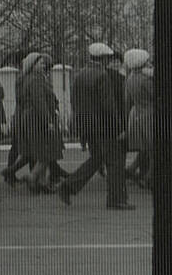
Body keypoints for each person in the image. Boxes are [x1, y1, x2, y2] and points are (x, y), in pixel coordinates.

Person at [58, 43, 131, 210]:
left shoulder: (79, 75)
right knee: (115, 162)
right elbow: (109, 106)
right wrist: (119, 128)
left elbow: (75, 103)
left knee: (96, 159)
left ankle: (68, 186)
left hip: (88, 125)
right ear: (104, 58)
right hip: (105, 126)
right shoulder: (102, 75)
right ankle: (116, 199)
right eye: (108, 58)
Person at [6, 52, 63, 195]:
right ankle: (32, 177)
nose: (43, 64)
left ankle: (42, 182)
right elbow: (40, 102)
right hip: (38, 118)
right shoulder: (36, 79)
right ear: (32, 64)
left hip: (33, 118)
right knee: (47, 150)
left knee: (43, 150)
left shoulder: (32, 78)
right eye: (40, 62)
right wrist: (48, 121)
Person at [123, 49, 154, 190]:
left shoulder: (130, 78)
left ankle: (130, 170)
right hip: (150, 115)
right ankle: (149, 178)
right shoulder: (146, 79)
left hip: (136, 115)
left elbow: (127, 101)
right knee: (155, 150)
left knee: (145, 149)